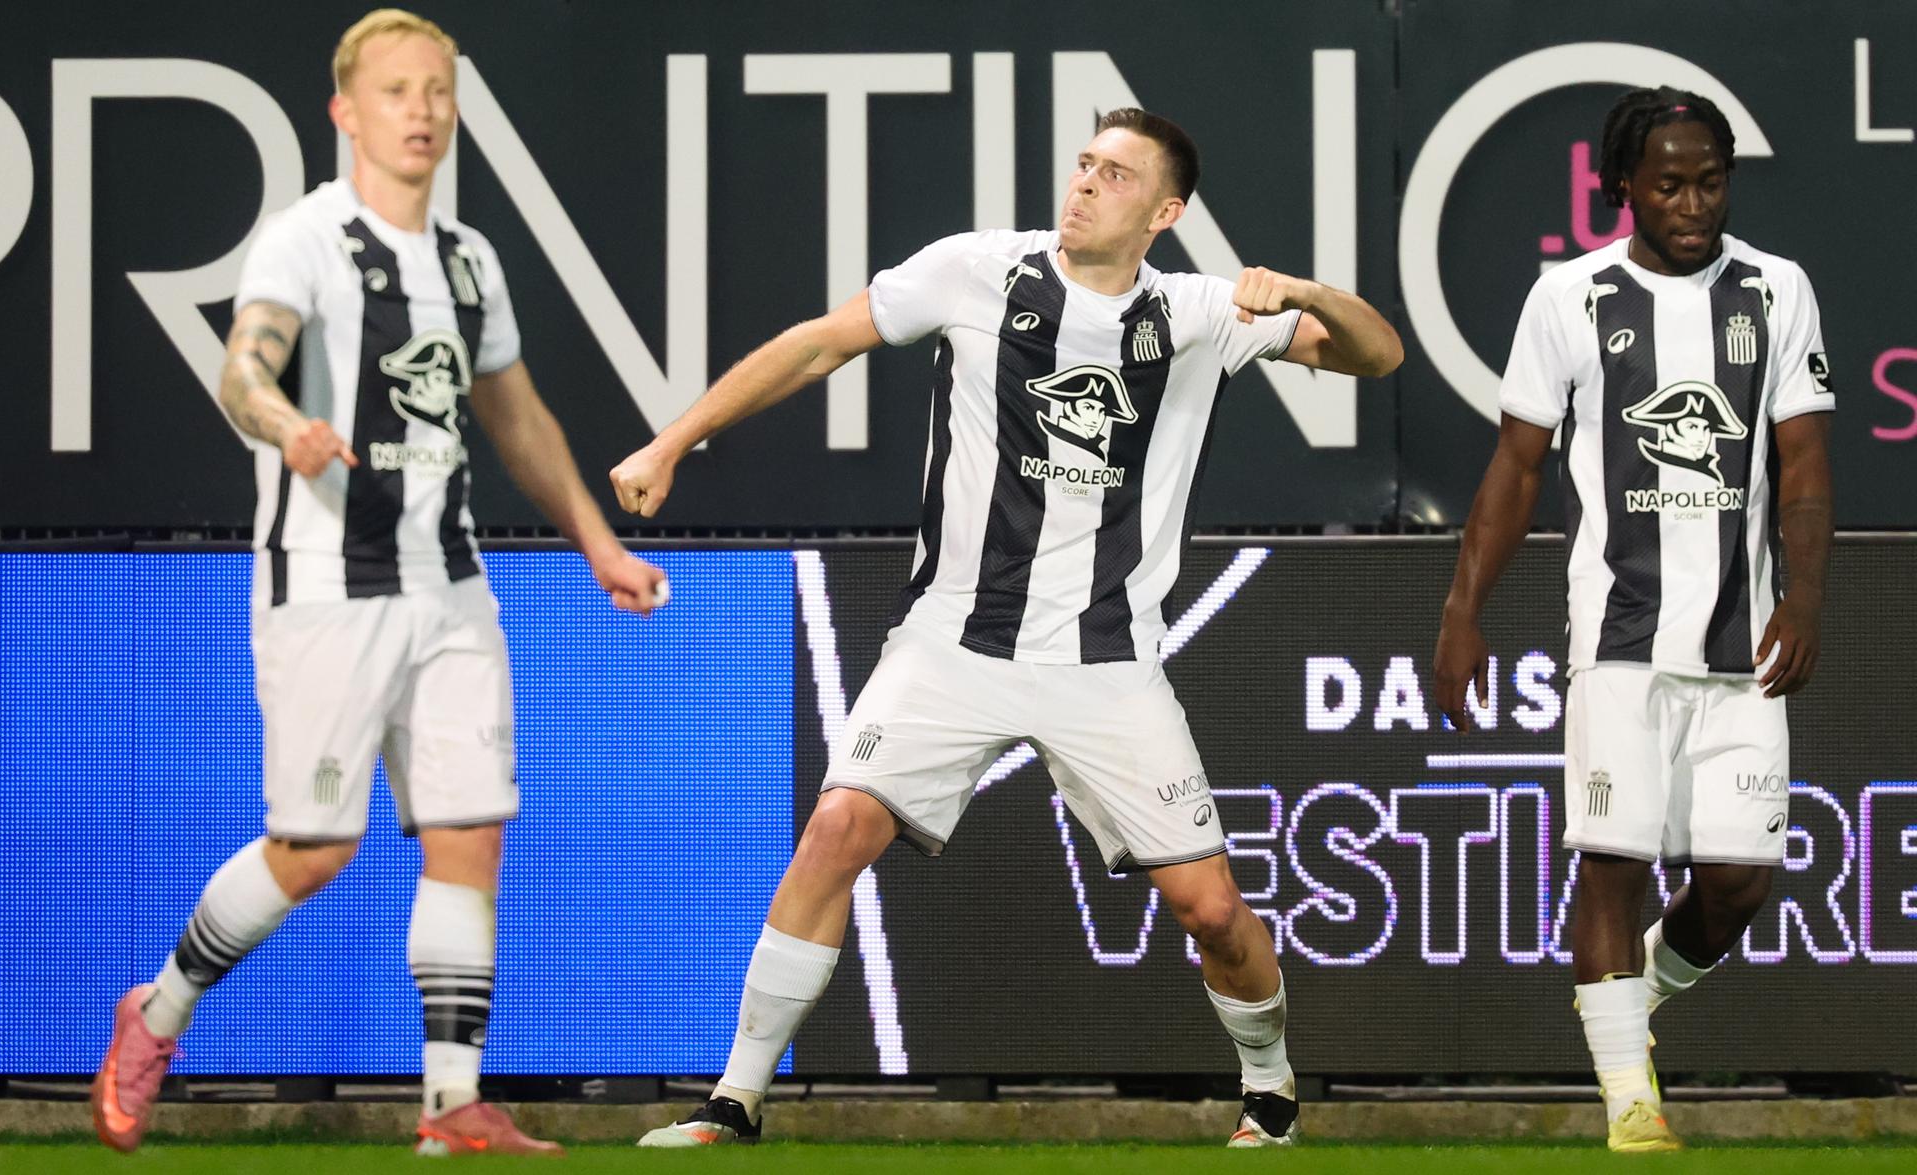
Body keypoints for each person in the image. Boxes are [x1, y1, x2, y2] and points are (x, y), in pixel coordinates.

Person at [610, 106, 1402, 1148]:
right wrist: (674, 441)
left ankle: (1270, 1083)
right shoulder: (975, 271)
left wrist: (1298, 292)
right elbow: (815, 348)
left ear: (1165, 211)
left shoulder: (1202, 312)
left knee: (1211, 910)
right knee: (838, 826)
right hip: (953, 640)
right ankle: (734, 1096)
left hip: (1108, 661)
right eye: (1083, 164)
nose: (1083, 185)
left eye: (1115, 176)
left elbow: (1377, 354)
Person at [89, 8, 667, 1157]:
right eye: (398, 91)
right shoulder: (306, 239)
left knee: (472, 833)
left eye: (438, 91)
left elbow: (516, 416)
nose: (423, 111)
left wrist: (597, 542)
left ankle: (453, 1106)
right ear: (346, 111)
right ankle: (156, 1009)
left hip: (451, 583)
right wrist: (284, 421)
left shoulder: (470, 259)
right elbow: (241, 362)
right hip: (327, 581)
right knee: (317, 847)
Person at [1433, 87, 1833, 1153]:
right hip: (1617, 645)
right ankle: (1632, 1102)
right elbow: (1515, 468)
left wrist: (1804, 592)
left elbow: (1802, 466)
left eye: (1710, 180)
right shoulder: (1569, 298)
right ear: (1625, 187)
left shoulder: (1777, 290)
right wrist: (1462, 611)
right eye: (1670, 182)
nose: (1694, 201)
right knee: (1611, 858)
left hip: (1742, 649)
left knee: (1743, 881)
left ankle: (1622, 998)